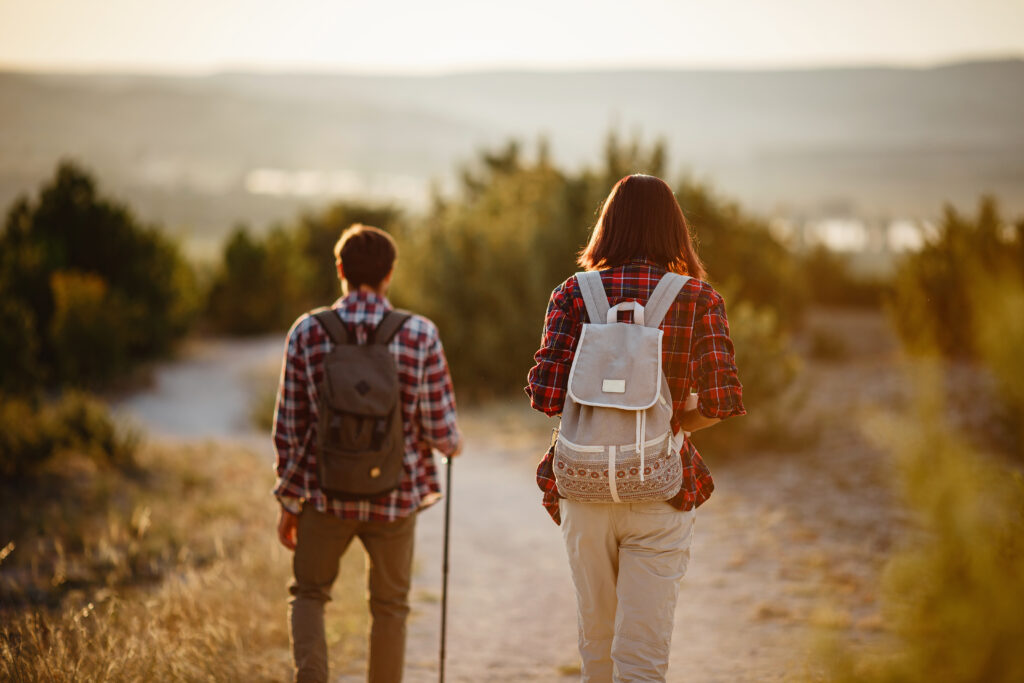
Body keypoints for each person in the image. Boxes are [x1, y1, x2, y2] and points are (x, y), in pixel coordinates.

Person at [526, 174, 745, 682]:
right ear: (675, 230)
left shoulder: (572, 295)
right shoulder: (697, 299)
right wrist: (675, 421)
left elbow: (544, 396)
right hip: (658, 488)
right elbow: (723, 400)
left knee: (597, 648)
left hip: (582, 487)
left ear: (608, 226)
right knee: (641, 659)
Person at [273, 224, 462, 683]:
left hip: (323, 493)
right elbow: (443, 434)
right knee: (391, 607)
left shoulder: (307, 332)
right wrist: (452, 443)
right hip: (394, 496)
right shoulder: (420, 334)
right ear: (389, 273)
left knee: (310, 594)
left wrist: (288, 500)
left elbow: (290, 426)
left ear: (340, 269)